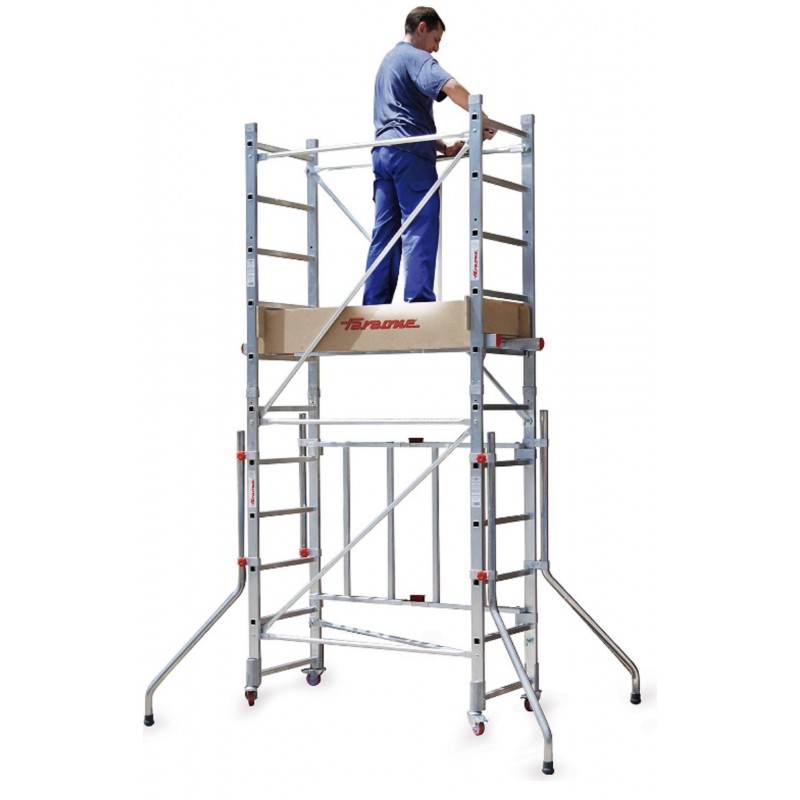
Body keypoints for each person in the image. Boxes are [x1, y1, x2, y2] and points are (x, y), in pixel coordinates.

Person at [362, 7, 496, 305]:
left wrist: (442, 147)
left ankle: (373, 305)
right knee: (420, 224)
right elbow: (451, 86)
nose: (436, 48)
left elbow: (401, 118)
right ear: (421, 28)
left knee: (386, 233)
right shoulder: (416, 58)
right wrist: (482, 118)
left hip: (384, 153)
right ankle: (419, 302)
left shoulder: (387, 62)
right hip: (410, 157)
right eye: (436, 39)